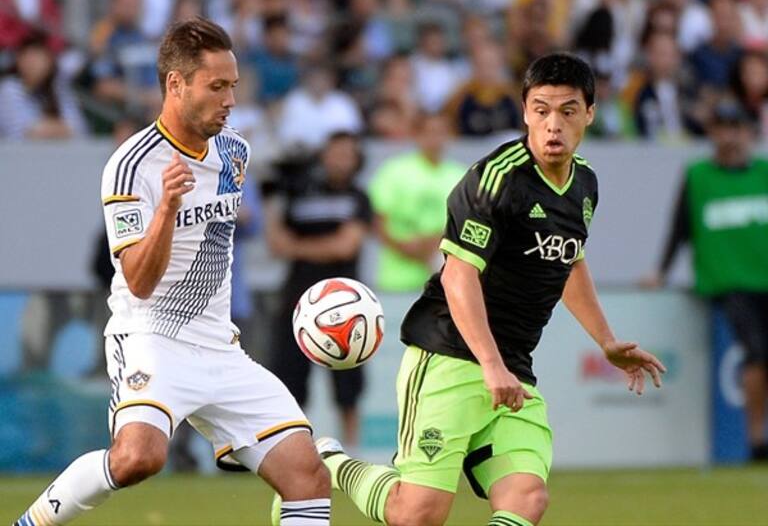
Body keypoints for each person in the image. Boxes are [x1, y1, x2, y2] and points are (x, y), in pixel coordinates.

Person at [293, 53, 666, 526]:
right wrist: (490, 365)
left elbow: (568, 260)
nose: (554, 125)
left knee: (526, 498)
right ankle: (329, 461)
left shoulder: (585, 184)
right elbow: (457, 275)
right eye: (541, 109)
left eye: (568, 111)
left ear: (589, 113)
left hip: (513, 369)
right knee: (418, 515)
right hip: (450, 355)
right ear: (525, 111)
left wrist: (607, 341)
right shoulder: (496, 178)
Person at [14, 17, 330, 526]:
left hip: (220, 347)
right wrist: (166, 210)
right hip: (151, 337)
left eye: (233, 86)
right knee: (138, 457)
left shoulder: (235, 152)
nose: (230, 100)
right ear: (176, 84)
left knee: (307, 476)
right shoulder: (132, 165)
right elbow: (138, 279)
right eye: (217, 86)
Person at [644, 98, 768, 462]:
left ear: (749, 133)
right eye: (722, 129)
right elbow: (679, 228)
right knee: (757, 354)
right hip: (728, 281)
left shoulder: (763, 173)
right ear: (712, 134)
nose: (730, 138)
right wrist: (660, 272)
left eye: (737, 129)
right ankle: (757, 441)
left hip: (764, 278)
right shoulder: (698, 175)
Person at [264, 131, 372, 449]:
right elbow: (275, 243)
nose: (340, 160)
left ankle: (352, 450)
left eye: (347, 154)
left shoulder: (358, 197)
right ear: (323, 156)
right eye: (335, 153)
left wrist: (298, 246)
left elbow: (346, 245)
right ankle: (295, 449)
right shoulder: (299, 195)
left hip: (347, 307)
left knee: (348, 388)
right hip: (297, 302)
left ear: (356, 160)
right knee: (290, 381)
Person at [368, 112, 465, 292]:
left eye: (440, 132)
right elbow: (377, 220)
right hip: (396, 279)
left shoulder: (461, 176)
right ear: (417, 135)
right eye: (429, 132)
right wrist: (406, 247)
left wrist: (435, 243)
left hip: (444, 282)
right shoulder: (394, 171)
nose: (434, 139)